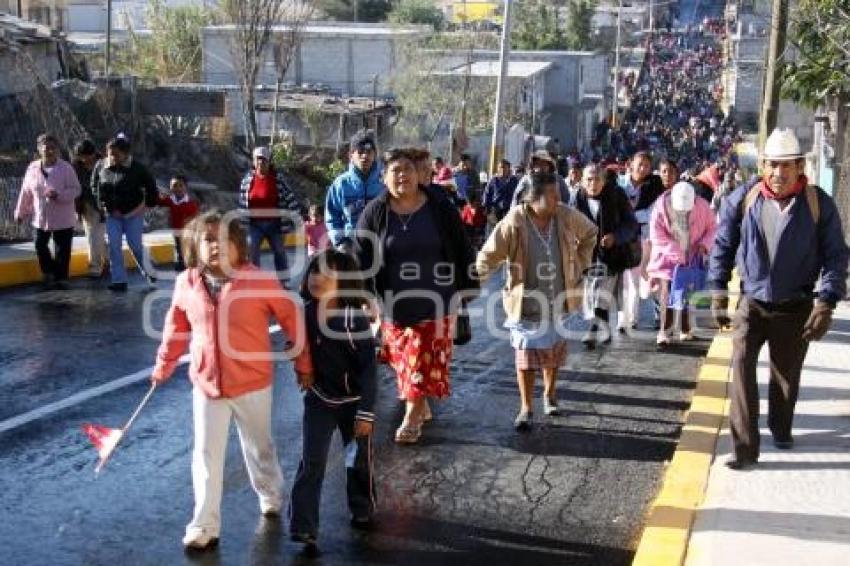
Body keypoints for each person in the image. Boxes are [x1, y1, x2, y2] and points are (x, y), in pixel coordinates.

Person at [151, 210, 314, 550]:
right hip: (207, 385)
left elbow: (290, 317)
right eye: (209, 239)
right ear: (195, 245)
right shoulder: (187, 283)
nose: (216, 246)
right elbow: (175, 327)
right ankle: (204, 525)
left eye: (225, 240)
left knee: (259, 447)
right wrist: (163, 364)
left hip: (253, 383)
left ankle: (270, 492)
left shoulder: (259, 280)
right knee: (206, 455)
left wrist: (303, 361)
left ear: (239, 246)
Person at [708, 129, 849, 470]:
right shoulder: (742, 198)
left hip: (795, 305)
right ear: (763, 165)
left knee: (785, 376)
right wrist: (716, 291)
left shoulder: (818, 204)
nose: (779, 173)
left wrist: (826, 302)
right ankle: (744, 449)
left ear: (801, 166)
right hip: (751, 303)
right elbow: (723, 246)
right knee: (741, 368)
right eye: (772, 164)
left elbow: (836, 257)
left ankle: (781, 429)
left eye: (787, 165)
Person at [354, 149, 478, 444]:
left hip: (438, 299)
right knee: (405, 363)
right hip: (394, 304)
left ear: (419, 174)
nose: (402, 176)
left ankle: (411, 416)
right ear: (383, 178)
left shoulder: (439, 206)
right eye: (394, 171)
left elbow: (461, 246)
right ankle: (419, 404)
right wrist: (364, 295)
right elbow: (360, 256)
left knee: (421, 359)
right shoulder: (375, 211)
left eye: (407, 169)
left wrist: (467, 287)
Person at [477, 171, 597, 430]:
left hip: (559, 300)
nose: (558, 199)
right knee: (526, 358)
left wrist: (579, 263)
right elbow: (488, 255)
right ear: (534, 198)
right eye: (552, 195)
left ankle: (550, 395)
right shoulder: (515, 221)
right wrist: (471, 284)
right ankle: (526, 407)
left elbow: (590, 233)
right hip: (526, 304)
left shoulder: (564, 215)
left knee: (553, 354)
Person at [289, 250, 377, 548]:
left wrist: (366, 413)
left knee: (357, 461)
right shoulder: (305, 312)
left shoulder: (355, 319)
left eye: (328, 274)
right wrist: (300, 365)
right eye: (314, 271)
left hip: (354, 404)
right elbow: (298, 347)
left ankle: (362, 507)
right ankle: (303, 526)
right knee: (312, 461)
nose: (318, 278)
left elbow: (369, 371)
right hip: (319, 400)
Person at [574, 164, 639, 349]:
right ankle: (604, 329)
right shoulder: (577, 198)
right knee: (592, 294)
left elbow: (631, 225)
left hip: (612, 255)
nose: (592, 184)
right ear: (582, 181)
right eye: (588, 179)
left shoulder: (616, 195)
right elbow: (568, 224)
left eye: (597, 179)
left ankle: (594, 330)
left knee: (600, 291)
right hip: (587, 255)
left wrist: (616, 237)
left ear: (604, 181)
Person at [647, 181, 716, 348]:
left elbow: (713, 228)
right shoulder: (660, 207)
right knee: (668, 292)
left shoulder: (703, 206)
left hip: (692, 256)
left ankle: (685, 328)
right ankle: (664, 331)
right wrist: (676, 253)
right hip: (667, 258)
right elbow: (657, 236)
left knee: (687, 293)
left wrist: (704, 245)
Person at [91, 135, 158, 292]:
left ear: (126, 153)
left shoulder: (137, 168)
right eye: (110, 153)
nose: (112, 157)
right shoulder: (101, 166)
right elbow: (94, 185)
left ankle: (149, 270)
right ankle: (119, 280)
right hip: (111, 214)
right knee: (114, 246)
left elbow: (151, 188)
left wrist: (146, 206)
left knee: (135, 245)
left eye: (116, 154)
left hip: (132, 213)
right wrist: (101, 203)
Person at [14, 133, 81, 290]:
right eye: (46, 148)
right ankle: (49, 271)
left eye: (53, 148)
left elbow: (76, 189)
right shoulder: (32, 168)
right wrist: (20, 212)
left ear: (57, 150)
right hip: (41, 217)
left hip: (63, 217)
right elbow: (26, 192)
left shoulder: (66, 168)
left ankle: (61, 277)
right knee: (39, 245)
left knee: (62, 249)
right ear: (39, 149)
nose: (50, 151)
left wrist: (59, 195)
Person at [239, 146, 305, 277]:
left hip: (274, 224)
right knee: (252, 251)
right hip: (255, 224)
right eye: (258, 160)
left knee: (279, 251)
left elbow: (290, 197)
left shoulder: (277, 179)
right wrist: (241, 223)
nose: (260, 163)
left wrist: (297, 215)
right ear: (253, 161)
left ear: (269, 162)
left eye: (263, 160)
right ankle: (254, 280)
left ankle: (283, 280)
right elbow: (242, 201)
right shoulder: (247, 180)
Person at [617, 151, 665, 330]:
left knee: (643, 277)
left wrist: (630, 216)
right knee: (624, 280)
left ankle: (647, 316)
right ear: (631, 164)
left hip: (645, 238)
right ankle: (625, 319)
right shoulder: (618, 184)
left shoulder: (654, 186)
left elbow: (652, 213)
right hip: (622, 238)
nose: (643, 168)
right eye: (640, 164)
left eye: (647, 165)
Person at [325, 130, 384, 252]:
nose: (365, 156)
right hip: (351, 247)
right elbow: (332, 216)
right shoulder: (341, 184)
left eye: (369, 152)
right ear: (351, 155)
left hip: (381, 246)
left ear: (375, 154)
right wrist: (340, 241)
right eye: (360, 152)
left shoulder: (385, 181)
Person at [72, 139, 107, 278]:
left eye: (87, 155)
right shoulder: (75, 167)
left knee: (94, 236)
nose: (85, 159)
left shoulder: (104, 165)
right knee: (94, 236)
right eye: (81, 156)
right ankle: (111, 259)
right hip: (85, 205)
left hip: (102, 205)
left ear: (93, 153)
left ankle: (95, 267)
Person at [156, 174, 199, 271]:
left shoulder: (191, 203)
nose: (178, 188)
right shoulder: (170, 200)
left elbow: (195, 218)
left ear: (186, 187)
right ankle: (181, 269)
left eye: (180, 185)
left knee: (187, 251)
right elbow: (158, 201)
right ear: (170, 187)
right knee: (179, 250)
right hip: (176, 232)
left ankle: (190, 268)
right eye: (174, 185)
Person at [482, 159, 518, 225]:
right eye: (500, 167)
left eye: (504, 167)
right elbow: (487, 193)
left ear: (509, 169)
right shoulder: (493, 180)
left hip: (509, 208)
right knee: (496, 227)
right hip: (496, 208)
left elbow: (518, 193)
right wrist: (486, 206)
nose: (502, 169)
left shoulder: (514, 180)